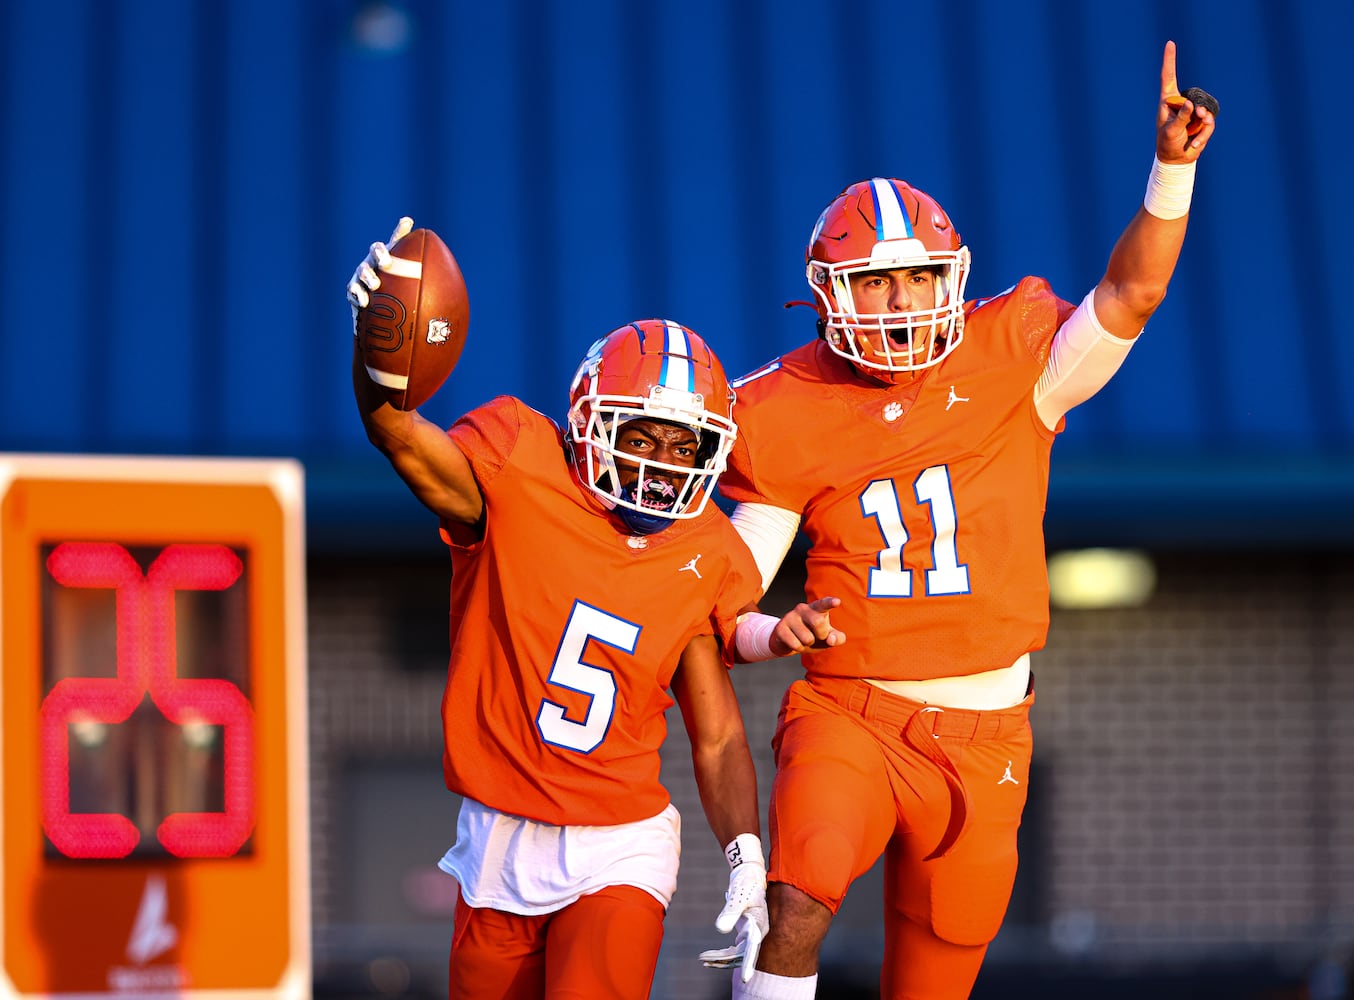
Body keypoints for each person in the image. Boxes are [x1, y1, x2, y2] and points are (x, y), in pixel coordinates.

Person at [702, 41, 1217, 1000]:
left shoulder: (1013, 351)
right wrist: (772, 632)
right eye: (873, 283)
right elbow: (719, 592)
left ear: (951, 279)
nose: (900, 304)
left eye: (918, 279)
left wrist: (1171, 171)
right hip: (852, 711)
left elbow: (1131, 296)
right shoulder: (781, 405)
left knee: (941, 966)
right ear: (828, 294)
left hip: (991, 729)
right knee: (799, 895)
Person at [348, 228, 774, 999]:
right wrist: (378, 362)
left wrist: (747, 854)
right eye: (640, 435)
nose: (659, 466)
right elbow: (398, 436)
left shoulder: (704, 547)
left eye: (685, 448)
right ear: (587, 420)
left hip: (620, 846)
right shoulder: (519, 460)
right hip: (497, 839)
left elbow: (716, 736)